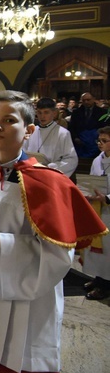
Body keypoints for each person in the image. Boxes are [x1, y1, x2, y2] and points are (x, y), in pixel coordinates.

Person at [0, 90, 107, 373]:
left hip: (23, 297)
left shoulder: (52, 184)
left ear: (29, 130)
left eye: (8, 120)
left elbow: (59, 254)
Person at [83, 126, 110, 300]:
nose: (100, 144)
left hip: (108, 209)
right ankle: (99, 278)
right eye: (99, 140)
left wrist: (106, 198)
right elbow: (93, 180)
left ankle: (106, 286)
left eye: (104, 141)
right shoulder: (97, 160)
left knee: (108, 250)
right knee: (98, 249)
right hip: (98, 209)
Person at [24, 97, 78, 177]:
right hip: (32, 173)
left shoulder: (63, 133)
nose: (42, 116)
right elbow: (23, 152)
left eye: (46, 112)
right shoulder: (31, 131)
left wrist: (50, 167)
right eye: (39, 112)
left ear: (54, 113)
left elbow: (71, 160)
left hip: (51, 174)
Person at [69, 92, 105, 158]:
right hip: (79, 143)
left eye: (88, 100)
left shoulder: (102, 112)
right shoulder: (76, 112)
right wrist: (75, 138)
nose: (86, 102)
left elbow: (104, 127)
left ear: (93, 99)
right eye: (84, 100)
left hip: (96, 142)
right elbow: (72, 127)